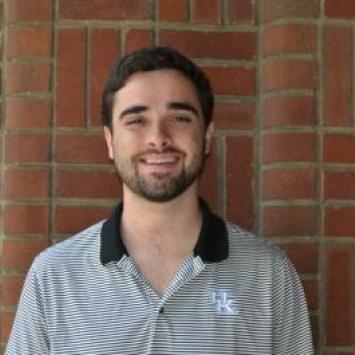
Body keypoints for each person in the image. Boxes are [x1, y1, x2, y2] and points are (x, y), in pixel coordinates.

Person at [6, 47, 313, 354]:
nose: (158, 138)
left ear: (207, 136)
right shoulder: (53, 277)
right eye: (137, 121)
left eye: (179, 118)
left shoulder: (269, 275)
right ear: (110, 141)